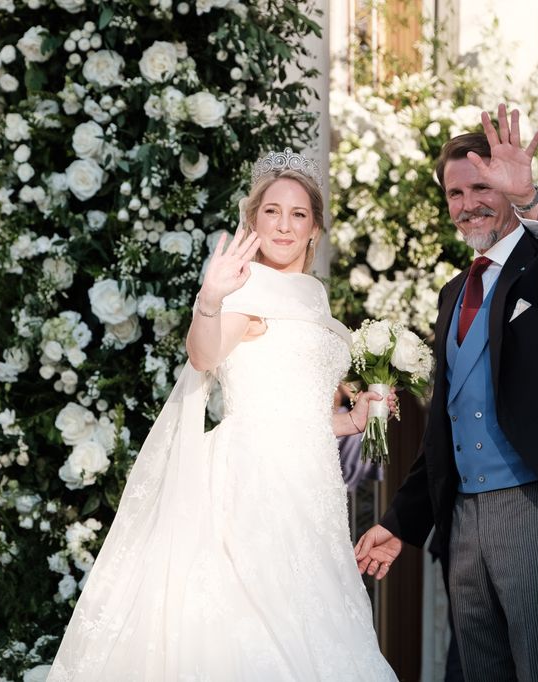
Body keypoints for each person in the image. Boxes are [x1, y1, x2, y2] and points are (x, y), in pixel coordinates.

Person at [49, 151, 397, 681]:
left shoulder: (313, 296)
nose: (284, 224)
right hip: (253, 482)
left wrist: (352, 421)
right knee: (258, 631)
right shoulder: (246, 290)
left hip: (312, 489)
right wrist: (209, 301)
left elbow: (296, 408)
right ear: (253, 220)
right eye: (272, 211)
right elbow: (204, 358)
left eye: (298, 214)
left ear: (314, 229)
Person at [355, 104, 538, 681]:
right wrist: (399, 523)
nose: (468, 204)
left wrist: (529, 199)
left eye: (481, 187)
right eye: (455, 193)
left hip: (534, 511)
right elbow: (446, 427)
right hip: (462, 522)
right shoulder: (452, 294)